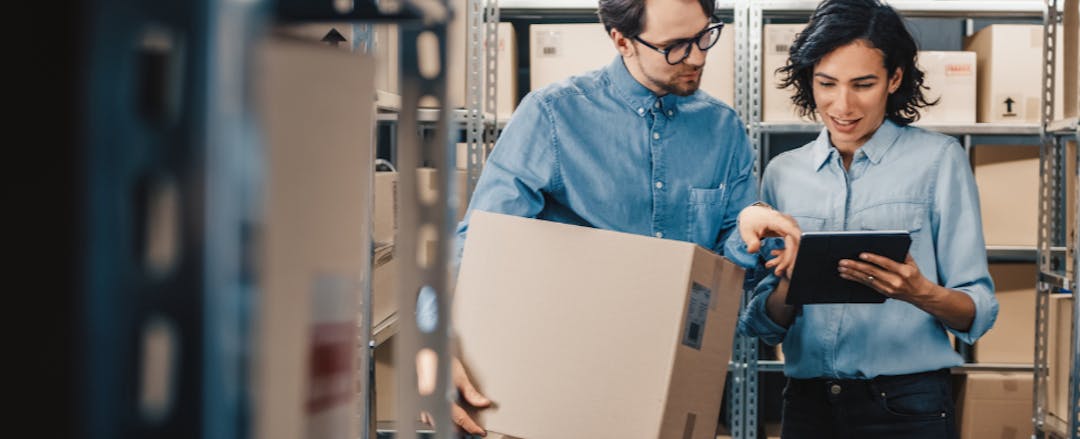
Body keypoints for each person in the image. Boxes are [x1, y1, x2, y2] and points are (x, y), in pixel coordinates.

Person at [440, 0, 803, 435]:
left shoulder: (722, 130)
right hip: (561, 379)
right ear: (621, 40)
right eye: (675, 46)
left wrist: (748, 229)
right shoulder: (552, 116)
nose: (698, 56)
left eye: (705, 35)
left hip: (676, 375)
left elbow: (726, 267)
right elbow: (479, 245)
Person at [729, 0, 999, 437]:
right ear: (808, 79)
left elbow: (978, 312)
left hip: (908, 407)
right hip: (807, 403)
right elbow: (762, 325)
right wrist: (789, 285)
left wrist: (920, 293)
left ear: (894, 78)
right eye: (826, 83)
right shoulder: (783, 173)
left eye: (863, 84)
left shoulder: (939, 161)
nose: (843, 104)